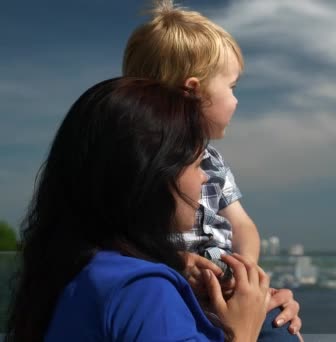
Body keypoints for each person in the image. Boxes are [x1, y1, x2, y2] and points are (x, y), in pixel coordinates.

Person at [6, 77, 270, 341]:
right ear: (155, 175)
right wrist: (242, 330)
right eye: (198, 164)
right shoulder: (142, 291)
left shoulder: (79, 271)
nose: (204, 178)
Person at [123, 1, 302, 339]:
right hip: (173, 291)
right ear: (193, 92)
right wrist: (175, 261)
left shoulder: (212, 160)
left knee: (280, 328)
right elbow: (122, 238)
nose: (236, 101)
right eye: (231, 88)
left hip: (223, 287)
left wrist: (246, 273)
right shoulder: (137, 161)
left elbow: (243, 226)